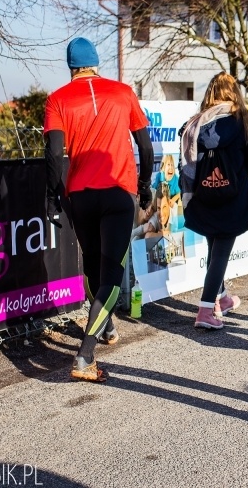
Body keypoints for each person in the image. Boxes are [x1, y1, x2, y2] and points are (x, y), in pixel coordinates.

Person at [44, 37, 154, 383]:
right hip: (119, 192)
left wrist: (53, 195)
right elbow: (145, 146)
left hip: (81, 195)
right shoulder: (122, 92)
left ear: (71, 66)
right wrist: (146, 185)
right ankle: (85, 357)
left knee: (92, 266)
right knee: (111, 277)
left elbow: (53, 153)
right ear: (96, 63)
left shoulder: (57, 99)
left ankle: (104, 324)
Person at [179, 72, 248, 329]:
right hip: (233, 201)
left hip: (202, 198)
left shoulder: (193, 125)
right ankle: (205, 310)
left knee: (214, 250)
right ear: (234, 93)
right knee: (220, 254)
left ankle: (223, 298)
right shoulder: (242, 120)